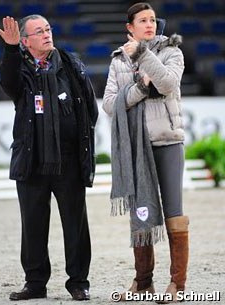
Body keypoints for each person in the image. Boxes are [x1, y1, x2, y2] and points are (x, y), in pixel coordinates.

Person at [0, 15, 98, 301]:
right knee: (33, 225)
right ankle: (35, 283)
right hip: (32, 160)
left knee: (76, 225)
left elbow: (90, 108)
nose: (46, 34)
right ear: (26, 42)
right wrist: (10, 49)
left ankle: (78, 282)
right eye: (38, 32)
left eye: (48, 29)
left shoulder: (71, 63)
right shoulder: (20, 68)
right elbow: (8, 81)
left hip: (69, 160)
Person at [103, 2, 189, 303]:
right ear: (130, 27)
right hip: (136, 147)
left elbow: (166, 84)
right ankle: (143, 283)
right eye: (142, 20)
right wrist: (140, 87)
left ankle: (178, 285)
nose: (149, 24)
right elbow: (110, 105)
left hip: (167, 143)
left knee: (174, 214)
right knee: (141, 216)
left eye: (152, 19)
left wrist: (142, 54)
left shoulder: (171, 51)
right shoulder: (118, 60)